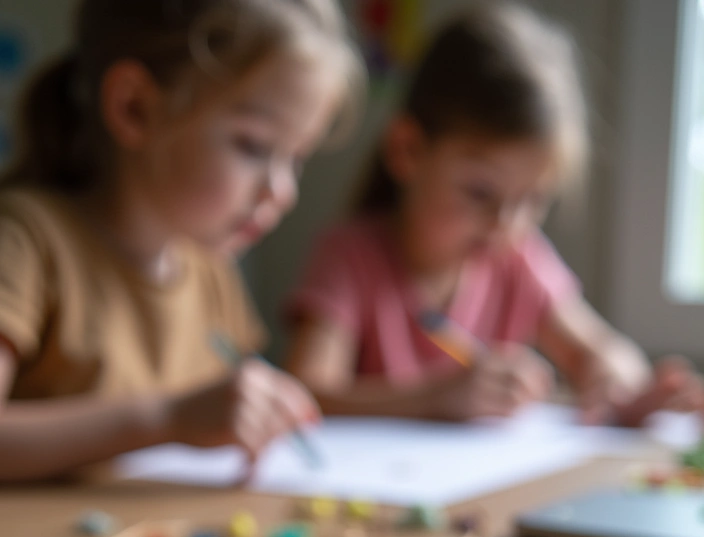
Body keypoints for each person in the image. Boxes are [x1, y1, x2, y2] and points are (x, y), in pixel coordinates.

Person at [286, 1, 704, 424]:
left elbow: (605, 350)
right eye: (480, 193)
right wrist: (435, 397)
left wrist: (615, 380)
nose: (506, 224)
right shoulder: (349, 257)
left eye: (533, 199)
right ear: (408, 149)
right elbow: (308, 393)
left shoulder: (518, 259)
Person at [0, 0, 362, 482]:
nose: (283, 191)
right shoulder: (26, 241)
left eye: (297, 158)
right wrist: (167, 418)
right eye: (253, 146)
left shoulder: (210, 271)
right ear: (135, 108)